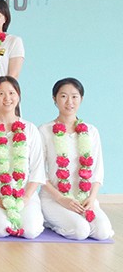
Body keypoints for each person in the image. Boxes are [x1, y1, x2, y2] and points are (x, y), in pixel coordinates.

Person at [39, 78, 113, 240]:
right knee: (80, 231)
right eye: (63, 96)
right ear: (54, 98)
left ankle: (77, 219)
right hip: (54, 198)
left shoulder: (91, 131)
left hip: (84, 198)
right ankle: (51, 221)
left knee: (103, 232)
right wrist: (61, 198)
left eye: (74, 96)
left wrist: (91, 198)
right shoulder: (45, 130)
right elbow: (38, 172)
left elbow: (97, 171)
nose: (69, 102)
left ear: (81, 99)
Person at [0, 76, 45, 238]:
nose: (7, 98)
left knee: (31, 231)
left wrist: (26, 197)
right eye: (1, 94)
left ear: (18, 96)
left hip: (23, 193)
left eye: (12, 93)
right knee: (1, 229)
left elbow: (38, 168)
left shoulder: (30, 129)